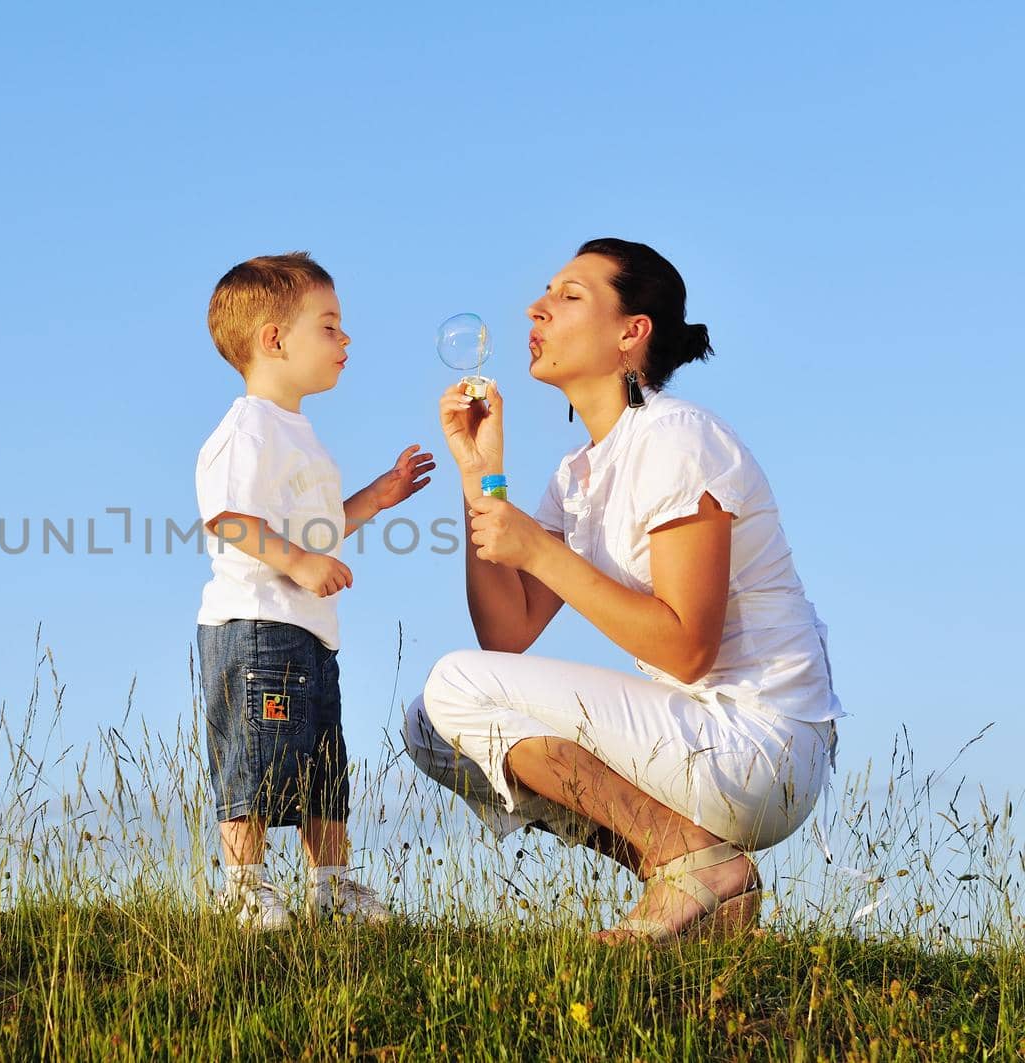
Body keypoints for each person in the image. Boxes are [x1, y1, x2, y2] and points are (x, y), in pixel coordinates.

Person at [404, 238, 844, 942]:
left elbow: (687, 648)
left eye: (569, 295)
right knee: (431, 725)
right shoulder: (579, 475)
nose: (536, 307)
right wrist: (479, 474)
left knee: (455, 683)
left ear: (630, 333)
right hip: (694, 742)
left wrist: (543, 550)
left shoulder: (677, 437)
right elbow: (506, 633)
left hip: (760, 745)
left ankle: (689, 863)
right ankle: (692, 876)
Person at [196, 252, 433, 929]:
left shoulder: (298, 432)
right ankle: (245, 886)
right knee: (255, 756)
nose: (345, 339)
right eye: (329, 325)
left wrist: (376, 497)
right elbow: (231, 517)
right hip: (256, 625)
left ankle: (329, 885)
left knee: (323, 762)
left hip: (307, 632)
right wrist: (298, 563)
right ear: (274, 339)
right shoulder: (248, 428)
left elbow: (320, 527)